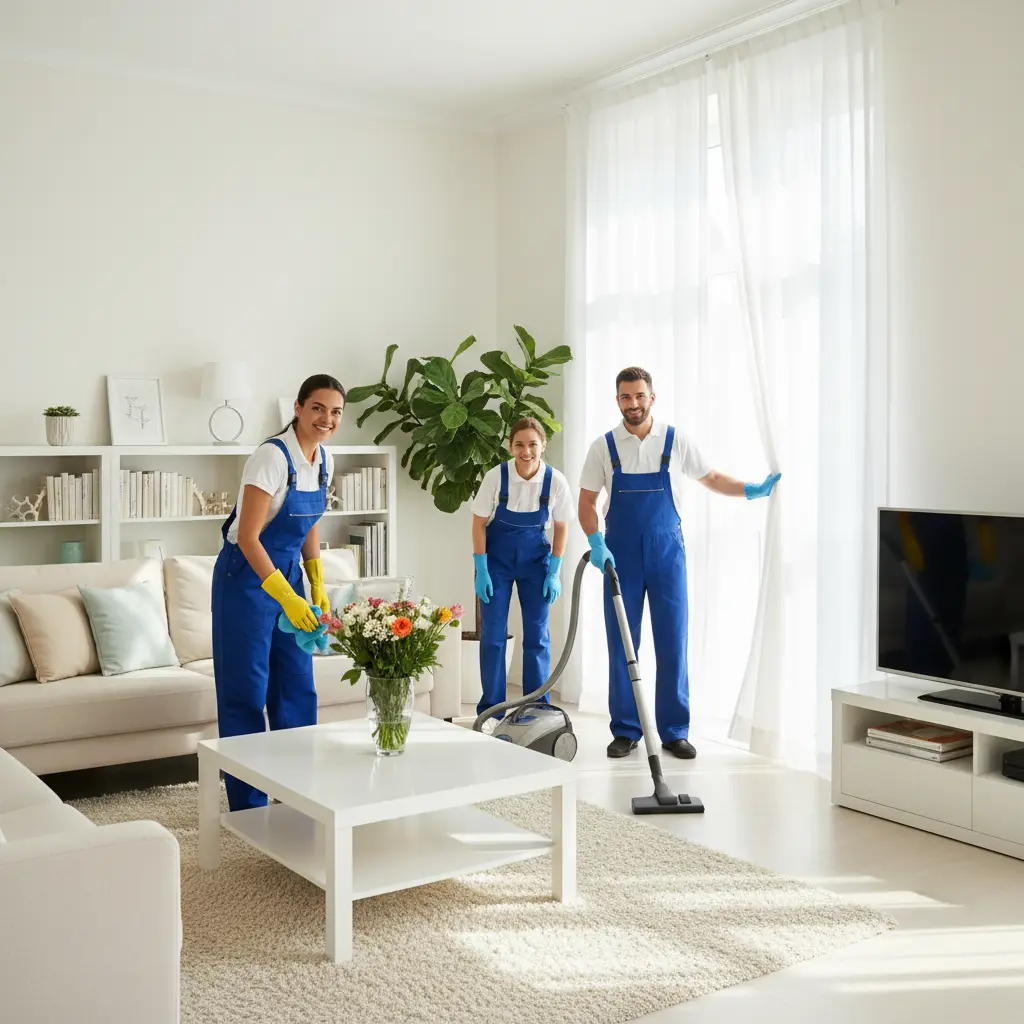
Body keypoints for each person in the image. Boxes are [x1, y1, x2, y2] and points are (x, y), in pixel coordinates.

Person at [578, 367, 780, 759]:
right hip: (619, 553)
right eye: (625, 397)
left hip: (668, 551)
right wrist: (595, 542)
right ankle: (625, 729)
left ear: (652, 397)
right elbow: (587, 501)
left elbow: (712, 477)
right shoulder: (603, 447)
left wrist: (751, 491)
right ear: (617, 400)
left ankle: (673, 730)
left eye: (639, 396)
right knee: (623, 643)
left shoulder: (674, 440)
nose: (633, 404)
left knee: (673, 640)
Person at [211, 374, 346, 811]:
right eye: (318, 408)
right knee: (246, 694)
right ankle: (249, 807)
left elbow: (306, 523)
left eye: (336, 412)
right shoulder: (270, 457)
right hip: (244, 580)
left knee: (296, 688)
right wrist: (286, 597)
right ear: (298, 408)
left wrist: (316, 581)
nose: (327, 419)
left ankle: (296, 794)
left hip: (288, 572)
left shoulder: (324, 459)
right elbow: (249, 538)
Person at [471, 417, 575, 719]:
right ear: (510, 446)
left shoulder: (555, 481)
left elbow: (561, 527)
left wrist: (554, 571)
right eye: (519, 444)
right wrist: (482, 569)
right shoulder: (496, 477)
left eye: (533, 444)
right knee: (492, 635)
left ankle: (536, 709)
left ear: (543, 445)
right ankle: (491, 711)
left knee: (537, 635)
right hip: (497, 562)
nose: (526, 451)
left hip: (536, 563)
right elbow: (478, 522)